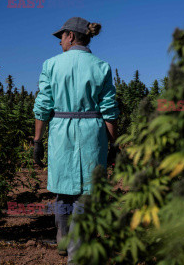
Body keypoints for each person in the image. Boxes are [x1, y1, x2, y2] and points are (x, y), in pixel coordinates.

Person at [32, 17, 120, 263]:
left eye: (61, 36)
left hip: (61, 131)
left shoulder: (51, 65)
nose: (60, 41)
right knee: (85, 195)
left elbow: (42, 106)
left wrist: (37, 141)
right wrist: (113, 144)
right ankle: (76, 251)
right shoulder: (101, 66)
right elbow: (109, 110)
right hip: (92, 132)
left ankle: (66, 244)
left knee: (63, 192)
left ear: (70, 36)